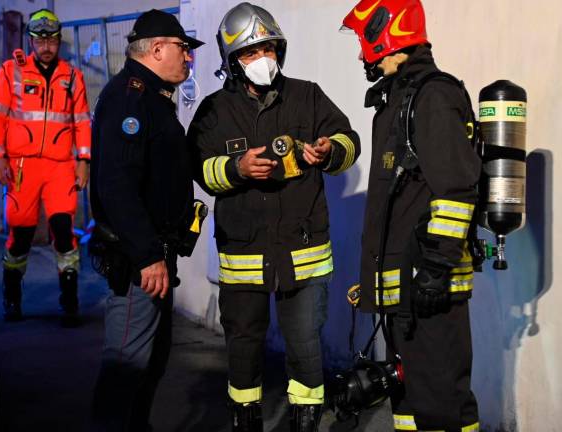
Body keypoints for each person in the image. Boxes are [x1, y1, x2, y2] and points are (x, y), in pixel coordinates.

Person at [188, 3, 360, 431]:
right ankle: (245, 420)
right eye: (250, 52)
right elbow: (199, 169)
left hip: (303, 254)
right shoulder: (213, 111)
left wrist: (329, 150)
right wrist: (236, 169)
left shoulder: (307, 95)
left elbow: (349, 140)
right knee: (243, 350)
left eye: (268, 48)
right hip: (243, 255)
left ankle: (305, 421)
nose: (262, 59)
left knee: (305, 349)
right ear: (231, 61)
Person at [341, 0, 481, 431]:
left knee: (441, 403)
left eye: (365, 41)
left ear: (383, 34)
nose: (363, 53)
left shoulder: (432, 96)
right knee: (409, 402)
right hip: (405, 291)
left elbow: (456, 190)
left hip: (428, 290)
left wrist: (437, 270)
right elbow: (396, 204)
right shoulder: (398, 98)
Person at [89, 9, 205, 431]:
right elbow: (116, 186)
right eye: (182, 49)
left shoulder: (153, 98)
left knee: (150, 364)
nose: (187, 58)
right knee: (125, 370)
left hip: (156, 256)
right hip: (139, 263)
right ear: (157, 49)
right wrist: (146, 255)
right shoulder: (131, 99)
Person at [0, 9, 91, 327]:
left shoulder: (73, 76)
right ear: (31, 40)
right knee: (21, 234)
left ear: (59, 40)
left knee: (63, 231)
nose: (46, 45)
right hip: (21, 166)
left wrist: (83, 162)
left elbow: (82, 121)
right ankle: (12, 297)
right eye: (40, 39)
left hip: (60, 166)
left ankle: (69, 301)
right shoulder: (10, 72)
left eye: (52, 39)